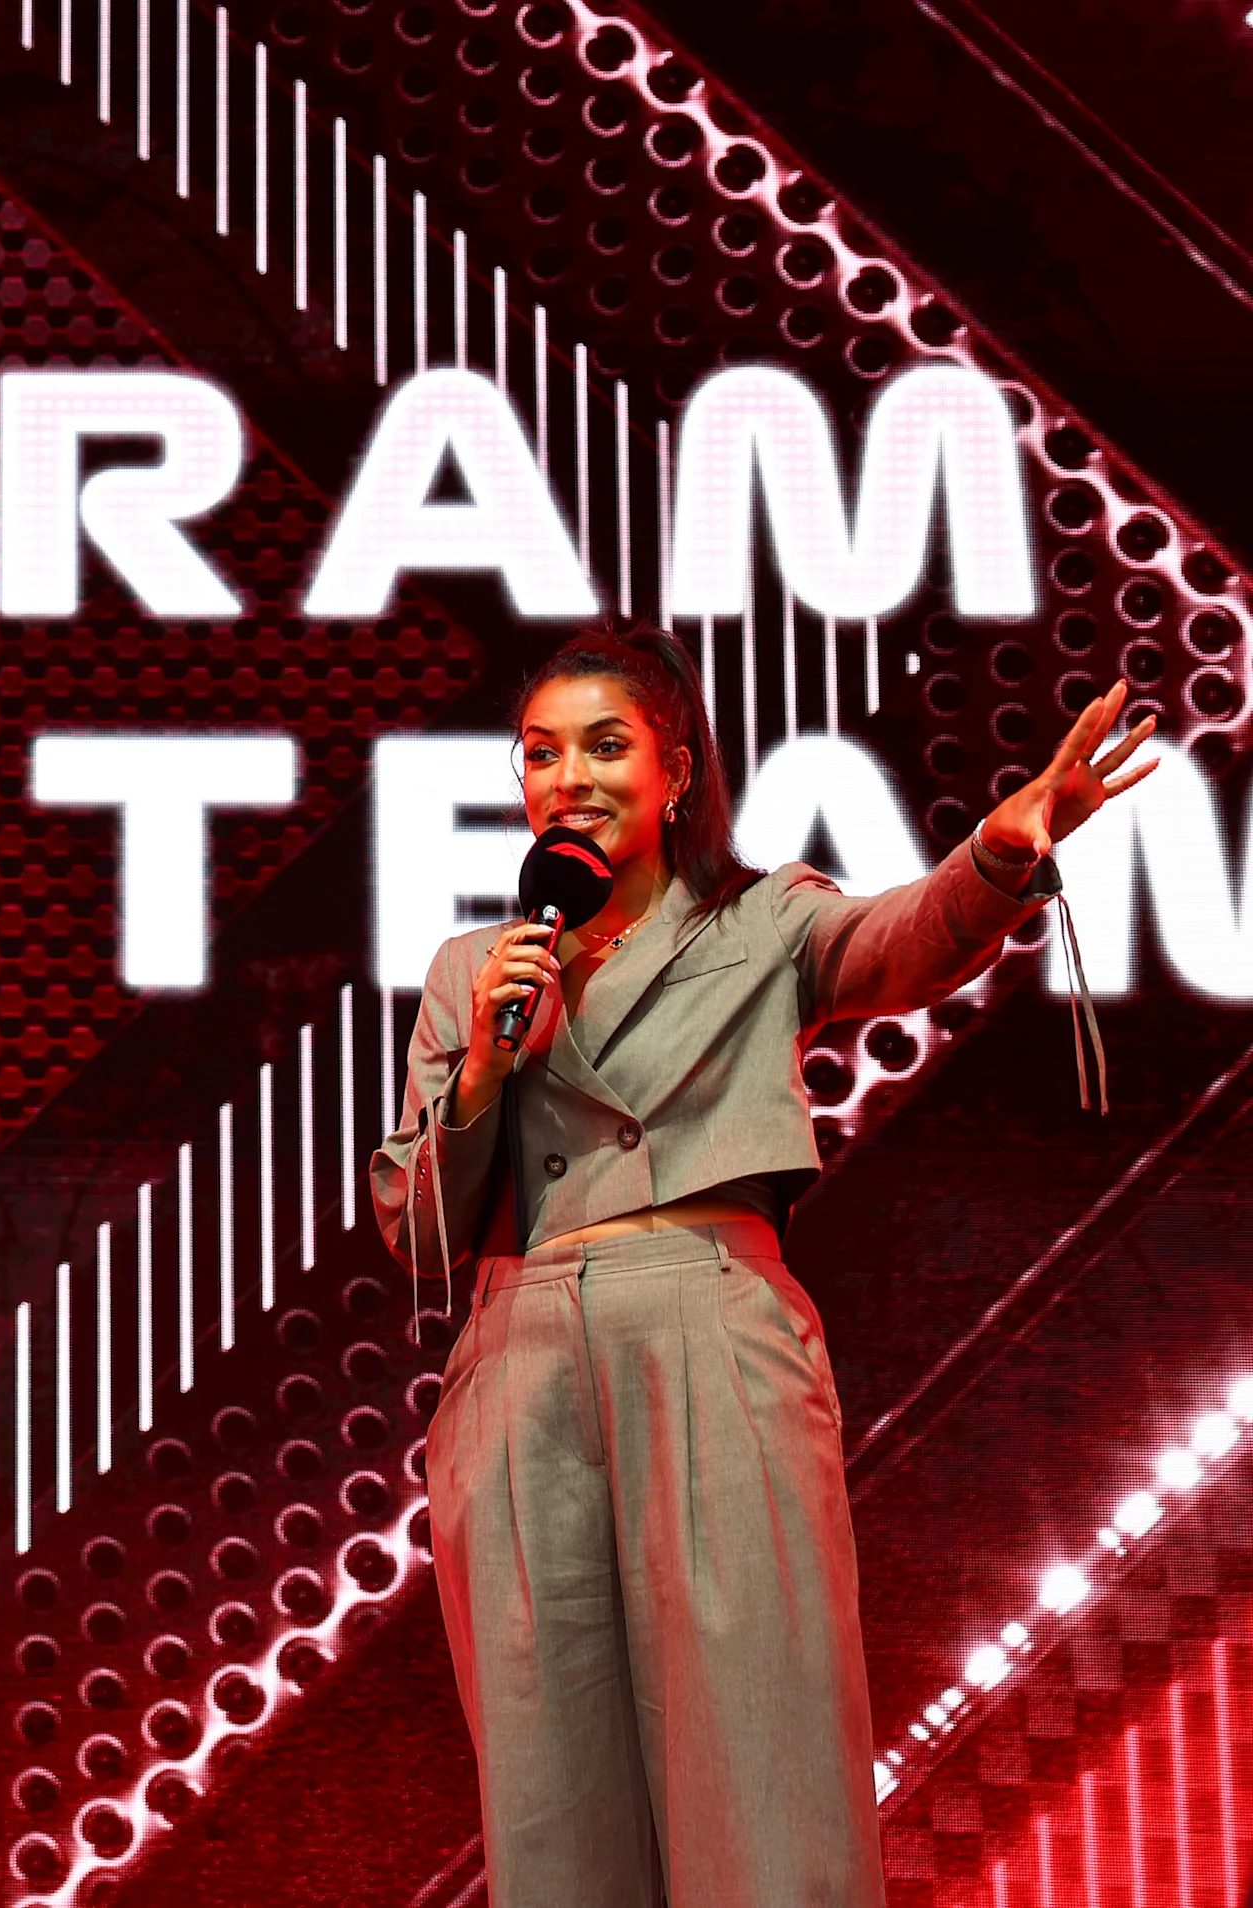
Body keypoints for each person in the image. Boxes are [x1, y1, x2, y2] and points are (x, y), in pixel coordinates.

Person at [371, 623, 1155, 1906]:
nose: (567, 778)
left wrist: (998, 854)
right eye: (539, 754)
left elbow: (898, 940)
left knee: (757, 1755)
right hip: (517, 1369)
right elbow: (415, 1228)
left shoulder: (759, 917)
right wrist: (479, 1072)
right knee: (550, 1795)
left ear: (674, 771)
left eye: (603, 746)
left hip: (706, 1325)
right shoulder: (473, 973)